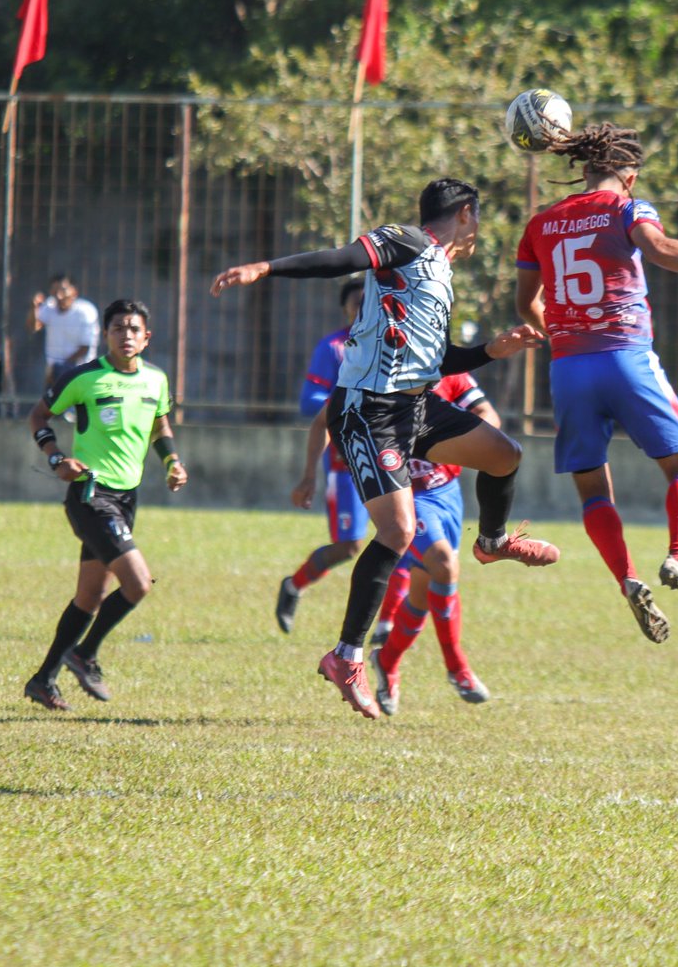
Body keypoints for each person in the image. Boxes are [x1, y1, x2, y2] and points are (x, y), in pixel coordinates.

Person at [212, 177, 560, 719]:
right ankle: (347, 656)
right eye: (477, 220)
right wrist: (268, 267)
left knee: (504, 454)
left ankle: (491, 542)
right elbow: (341, 257)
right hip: (367, 410)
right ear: (466, 214)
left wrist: (492, 349)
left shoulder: (438, 273)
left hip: (413, 406)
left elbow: (436, 360)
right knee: (397, 532)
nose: (477, 231)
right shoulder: (409, 241)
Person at [515, 122, 678, 643]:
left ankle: (626, 578)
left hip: (568, 369)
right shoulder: (628, 209)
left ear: (584, 170)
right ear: (629, 176)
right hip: (626, 357)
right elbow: (656, 249)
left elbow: (527, 304)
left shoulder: (540, 223)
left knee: (592, 486)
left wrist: (561, 334)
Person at [293, 371, 498, 716]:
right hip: (408, 497)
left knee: (422, 592)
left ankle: (386, 661)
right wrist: (310, 474)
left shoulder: (450, 372)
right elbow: (323, 420)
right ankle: (457, 667)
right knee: (444, 565)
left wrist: (460, 439)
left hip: (447, 494)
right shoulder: (375, 373)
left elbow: (487, 415)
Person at [24, 299, 187, 710]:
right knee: (138, 582)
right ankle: (85, 653)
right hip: (90, 494)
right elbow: (39, 417)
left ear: (146, 338)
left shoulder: (156, 381)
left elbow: (160, 425)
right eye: (118, 328)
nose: (126, 336)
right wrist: (57, 458)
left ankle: (43, 679)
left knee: (89, 597)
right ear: (105, 335)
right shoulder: (82, 378)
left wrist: (172, 462)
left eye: (134, 329)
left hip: (127, 498)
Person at [275, 279, 368, 633]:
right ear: (345, 308)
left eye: (368, 301)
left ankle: (388, 623)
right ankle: (293, 585)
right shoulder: (334, 347)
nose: (362, 308)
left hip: (391, 457)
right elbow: (308, 401)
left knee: (407, 537)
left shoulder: (391, 343)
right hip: (346, 462)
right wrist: (348, 402)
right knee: (348, 546)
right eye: (355, 302)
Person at [26, 272, 100, 387]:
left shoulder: (85, 311)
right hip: (55, 375)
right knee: (52, 404)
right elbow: (33, 327)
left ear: (74, 292)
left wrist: (60, 368)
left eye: (63, 290)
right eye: (54, 291)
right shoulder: (49, 307)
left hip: (81, 373)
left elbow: (85, 347)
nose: (59, 295)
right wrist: (34, 307)